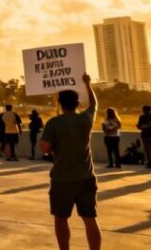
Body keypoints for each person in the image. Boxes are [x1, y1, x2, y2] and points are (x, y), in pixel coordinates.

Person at [39, 73, 101, 250]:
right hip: (87, 177)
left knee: (61, 219)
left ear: (60, 103)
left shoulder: (54, 123)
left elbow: (44, 148)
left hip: (63, 179)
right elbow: (94, 105)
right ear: (77, 103)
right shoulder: (85, 119)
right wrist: (87, 84)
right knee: (90, 219)